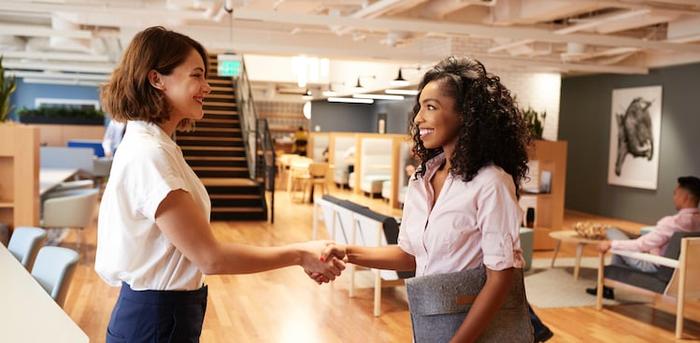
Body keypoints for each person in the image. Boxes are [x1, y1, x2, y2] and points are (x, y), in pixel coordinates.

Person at [95, 26, 343, 342]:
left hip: (161, 313)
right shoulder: (150, 154)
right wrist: (299, 253)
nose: (207, 87)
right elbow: (210, 258)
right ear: (157, 79)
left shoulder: (157, 145)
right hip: (155, 319)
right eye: (196, 76)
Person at [316, 56, 549, 342]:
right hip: (430, 323)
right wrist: (347, 252)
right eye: (420, 108)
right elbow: (411, 255)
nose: (418, 119)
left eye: (431, 107)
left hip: (472, 332)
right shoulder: (422, 179)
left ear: (466, 114)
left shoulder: (491, 183)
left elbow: (500, 279)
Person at [587, 176, 700, 299]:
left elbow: (641, 244)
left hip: (655, 266)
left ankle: (605, 286)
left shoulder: (672, 222)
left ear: (686, 197)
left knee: (613, 233)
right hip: (686, 273)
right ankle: (606, 288)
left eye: (676, 194)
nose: (674, 198)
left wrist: (611, 244)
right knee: (624, 242)